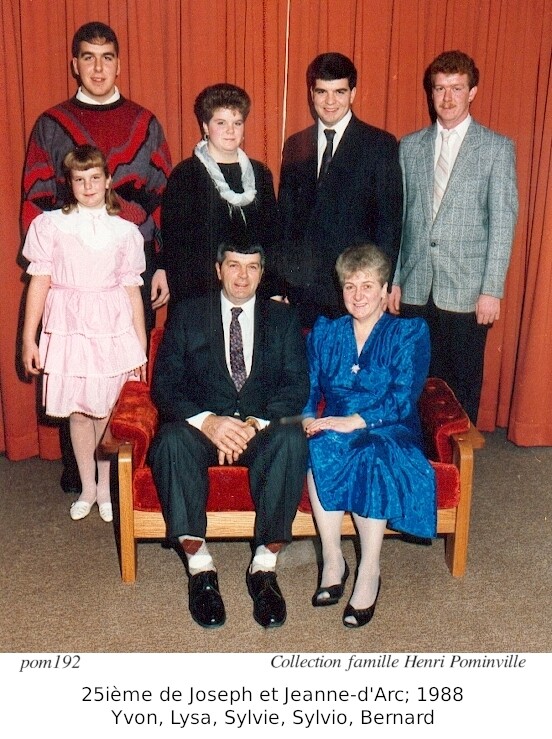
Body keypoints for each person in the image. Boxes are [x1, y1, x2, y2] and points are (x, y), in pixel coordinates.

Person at [22, 21, 172, 493]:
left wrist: (162, 263)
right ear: (75, 64)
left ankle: (122, 477)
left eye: (107, 57)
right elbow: (36, 200)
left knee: (121, 376)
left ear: (119, 63)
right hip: (72, 275)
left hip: (129, 268)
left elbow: (163, 196)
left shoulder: (145, 122)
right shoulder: (51, 124)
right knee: (75, 376)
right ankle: (84, 478)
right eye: (88, 57)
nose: (98, 67)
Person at [149, 242, 309, 629]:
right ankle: (200, 567)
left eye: (252, 267)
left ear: (262, 273)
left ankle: (264, 568)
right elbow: (165, 384)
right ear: (219, 269)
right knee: (170, 441)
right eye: (234, 265)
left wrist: (253, 423)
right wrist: (208, 422)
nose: (242, 275)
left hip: (258, 426)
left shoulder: (283, 318)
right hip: (204, 428)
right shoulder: (188, 314)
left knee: (292, 439)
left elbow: (296, 386)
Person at [303, 244, 436, 628]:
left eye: (367, 286)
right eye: (350, 286)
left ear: (384, 290)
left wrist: (356, 421)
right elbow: (309, 389)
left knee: (370, 455)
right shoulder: (326, 333)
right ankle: (333, 560)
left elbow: (403, 398)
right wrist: (310, 417)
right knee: (320, 445)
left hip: (389, 428)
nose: (358, 295)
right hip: (338, 424)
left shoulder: (408, 332)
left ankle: (369, 570)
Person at [390, 50, 518, 423]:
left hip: (466, 291)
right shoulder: (410, 146)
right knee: (414, 383)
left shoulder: (496, 148)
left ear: (472, 92)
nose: (447, 98)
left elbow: (503, 222)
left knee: (460, 387)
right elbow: (401, 217)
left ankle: (459, 458)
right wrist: (394, 279)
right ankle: (417, 455)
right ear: (430, 92)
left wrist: (491, 289)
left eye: (456, 88)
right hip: (415, 286)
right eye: (440, 88)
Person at [21, 145, 147, 523]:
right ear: (69, 184)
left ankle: (106, 490)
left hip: (111, 328)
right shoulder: (50, 226)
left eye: (95, 178)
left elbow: (132, 291)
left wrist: (139, 345)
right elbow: (39, 283)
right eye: (80, 179)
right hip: (69, 327)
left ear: (108, 181)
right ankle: (87, 488)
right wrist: (29, 338)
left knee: (106, 411)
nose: (89, 186)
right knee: (78, 412)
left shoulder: (125, 232)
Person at [278, 52, 403, 327]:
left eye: (339, 92)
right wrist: (281, 284)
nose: (330, 101)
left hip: (355, 293)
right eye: (322, 92)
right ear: (311, 94)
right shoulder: (296, 144)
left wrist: (383, 285)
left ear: (353, 93)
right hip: (302, 293)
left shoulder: (379, 145)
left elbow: (389, 225)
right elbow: (285, 221)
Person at [162, 83, 281, 305]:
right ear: (205, 127)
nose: (230, 131)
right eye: (221, 123)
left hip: (252, 294)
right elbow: (176, 246)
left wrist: (273, 291)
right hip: (200, 296)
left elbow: (271, 238)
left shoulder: (260, 174)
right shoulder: (185, 174)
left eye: (237, 123)